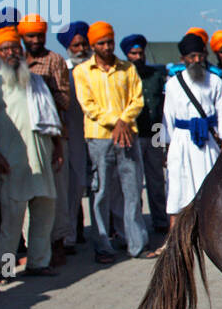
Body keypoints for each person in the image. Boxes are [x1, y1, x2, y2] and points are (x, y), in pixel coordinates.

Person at [0, 27, 64, 279]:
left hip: (41, 159)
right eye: (5, 49)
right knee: (11, 223)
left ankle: (38, 263)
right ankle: (5, 269)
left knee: (44, 213)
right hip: (11, 163)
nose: (12, 53)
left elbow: (52, 118)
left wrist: (58, 147)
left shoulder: (36, 82)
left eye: (16, 48)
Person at [73, 21, 151, 263]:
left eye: (109, 42)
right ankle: (103, 246)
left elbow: (137, 100)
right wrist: (116, 123)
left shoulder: (127, 68)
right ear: (92, 45)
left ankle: (135, 244)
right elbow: (88, 106)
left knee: (132, 189)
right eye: (101, 43)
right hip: (99, 137)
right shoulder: (82, 72)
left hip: (128, 136)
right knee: (102, 191)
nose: (106, 47)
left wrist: (124, 122)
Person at [17, 14, 73, 267]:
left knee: (55, 194)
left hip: (51, 136)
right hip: (20, 138)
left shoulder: (54, 61)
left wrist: (40, 88)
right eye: (31, 36)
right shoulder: (14, 61)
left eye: (40, 35)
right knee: (27, 194)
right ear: (22, 37)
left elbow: (64, 100)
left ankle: (58, 243)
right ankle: (32, 249)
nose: (36, 40)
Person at [162, 33, 222, 232]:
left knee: (209, 184)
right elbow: (167, 116)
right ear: (183, 59)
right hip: (182, 141)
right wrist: (166, 147)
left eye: (200, 55)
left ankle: (210, 231)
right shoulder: (173, 84)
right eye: (192, 57)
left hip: (208, 142)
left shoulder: (215, 81)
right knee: (178, 188)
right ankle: (176, 234)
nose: (197, 60)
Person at [120, 33, 169, 234]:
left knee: (157, 178)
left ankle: (160, 221)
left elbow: (163, 106)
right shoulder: (123, 76)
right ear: (127, 55)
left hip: (155, 132)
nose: (138, 57)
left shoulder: (156, 74)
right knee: (134, 183)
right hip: (134, 134)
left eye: (141, 53)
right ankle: (137, 225)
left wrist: (164, 137)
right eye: (134, 53)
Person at [57, 22, 92, 251]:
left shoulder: (94, 70)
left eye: (83, 44)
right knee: (74, 185)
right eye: (75, 45)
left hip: (98, 135)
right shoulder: (66, 72)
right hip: (74, 136)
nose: (81, 49)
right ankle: (69, 235)